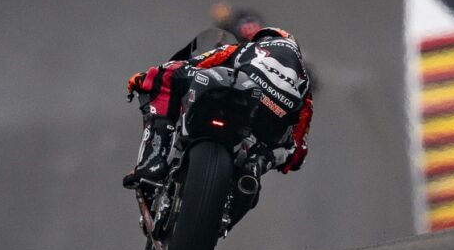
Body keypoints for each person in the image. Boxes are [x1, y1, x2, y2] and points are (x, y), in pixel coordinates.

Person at [123, 27, 313, 188]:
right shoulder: (304, 82)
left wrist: (144, 78)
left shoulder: (251, 48)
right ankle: (254, 166)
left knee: (163, 77)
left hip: (248, 89)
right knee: (283, 149)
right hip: (276, 112)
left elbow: (195, 63)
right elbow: (299, 151)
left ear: (266, 38)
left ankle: (154, 160)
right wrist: (269, 157)